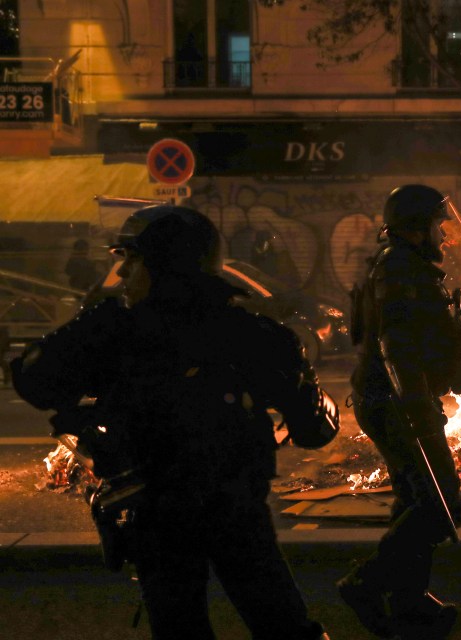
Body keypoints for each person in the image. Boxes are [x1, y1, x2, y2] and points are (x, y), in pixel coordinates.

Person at [11, 206, 339, 640]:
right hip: (232, 512)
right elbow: (317, 427)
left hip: (162, 513)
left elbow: (33, 379)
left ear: (166, 263)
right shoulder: (251, 332)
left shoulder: (117, 331)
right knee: (282, 624)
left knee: (183, 628)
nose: (122, 272)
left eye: (133, 259)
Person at [339, 184, 461, 640]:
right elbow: (396, 349)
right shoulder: (400, 269)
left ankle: (409, 602)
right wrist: (420, 413)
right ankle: (366, 583)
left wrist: (450, 361)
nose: (444, 233)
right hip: (399, 404)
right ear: (417, 227)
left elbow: (419, 337)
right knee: (442, 504)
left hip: (396, 400)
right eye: (438, 224)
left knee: (414, 498)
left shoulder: (404, 264)